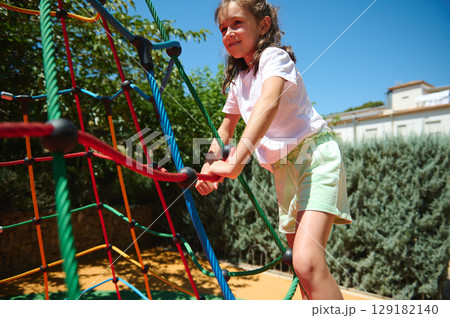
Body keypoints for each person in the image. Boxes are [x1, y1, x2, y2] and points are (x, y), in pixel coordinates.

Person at [195, 0, 352, 300]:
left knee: (307, 262)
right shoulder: (239, 81)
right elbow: (225, 129)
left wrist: (235, 163)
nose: (228, 33)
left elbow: (268, 105)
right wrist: (208, 166)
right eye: (223, 29)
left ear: (263, 25)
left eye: (237, 24)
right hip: (283, 169)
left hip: (314, 156)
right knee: (299, 264)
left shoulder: (274, 58)